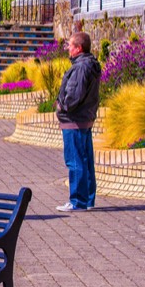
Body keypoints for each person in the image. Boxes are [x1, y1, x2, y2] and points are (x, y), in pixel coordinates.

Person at [55, 31, 102, 212]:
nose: (68, 48)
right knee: (85, 160)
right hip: (84, 119)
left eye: (71, 45)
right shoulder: (89, 65)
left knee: (75, 161)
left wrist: (62, 106)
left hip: (74, 121)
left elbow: (73, 95)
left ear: (79, 48)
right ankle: (87, 199)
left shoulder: (81, 67)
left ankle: (77, 201)